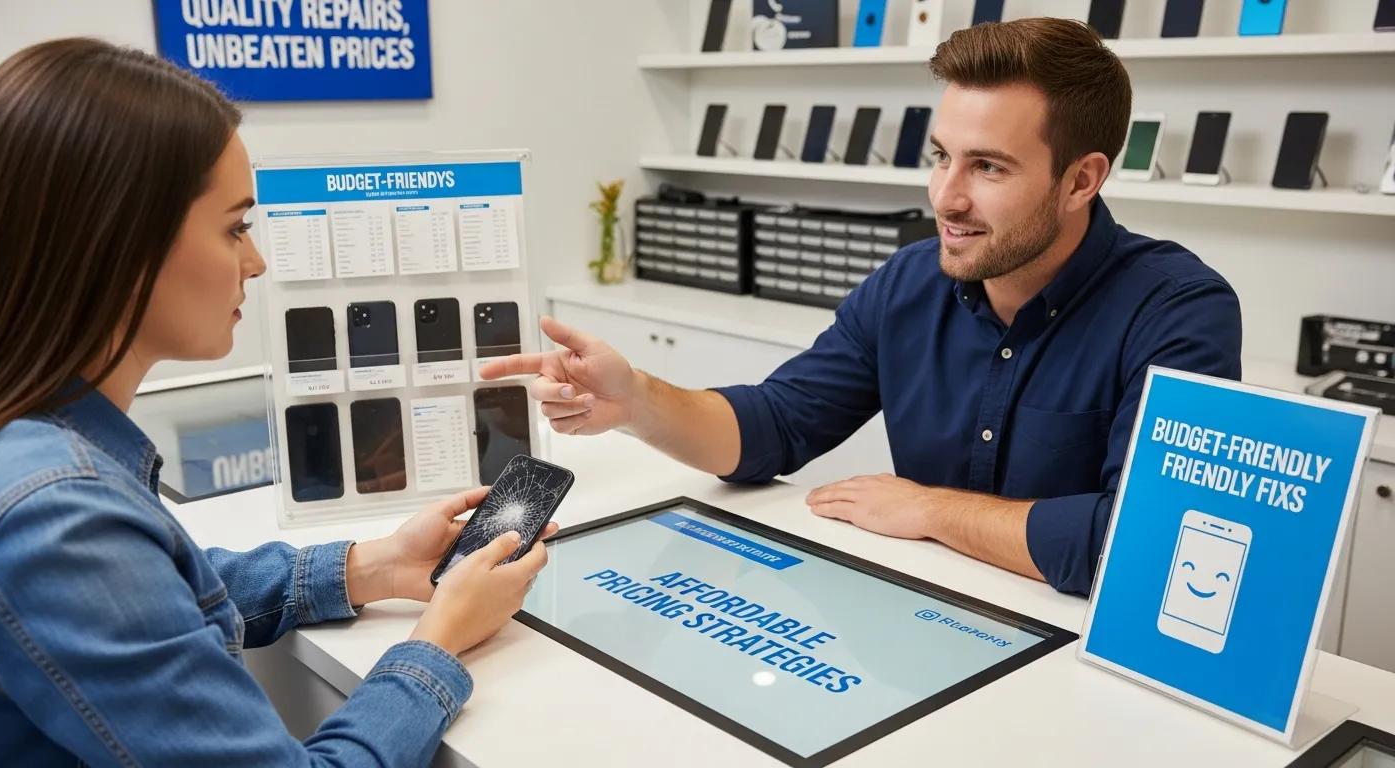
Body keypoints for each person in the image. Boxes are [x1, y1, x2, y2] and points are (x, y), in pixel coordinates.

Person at [480, 18, 1242, 596]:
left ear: (1082, 181)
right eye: (942, 156)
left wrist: (931, 510)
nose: (946, 196)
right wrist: (637, 398)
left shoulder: (1179, 313)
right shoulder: (911, 282)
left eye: (989, 167)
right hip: (931, 622)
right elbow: (775, 427)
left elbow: (1144, 548)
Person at [0, 39, 553, 765]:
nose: (255, 262)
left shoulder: (38, 453)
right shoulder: (56, 512)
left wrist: (371, 566)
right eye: (234, 227)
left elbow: (150, 596)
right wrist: (438, 640)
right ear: (120, 242)